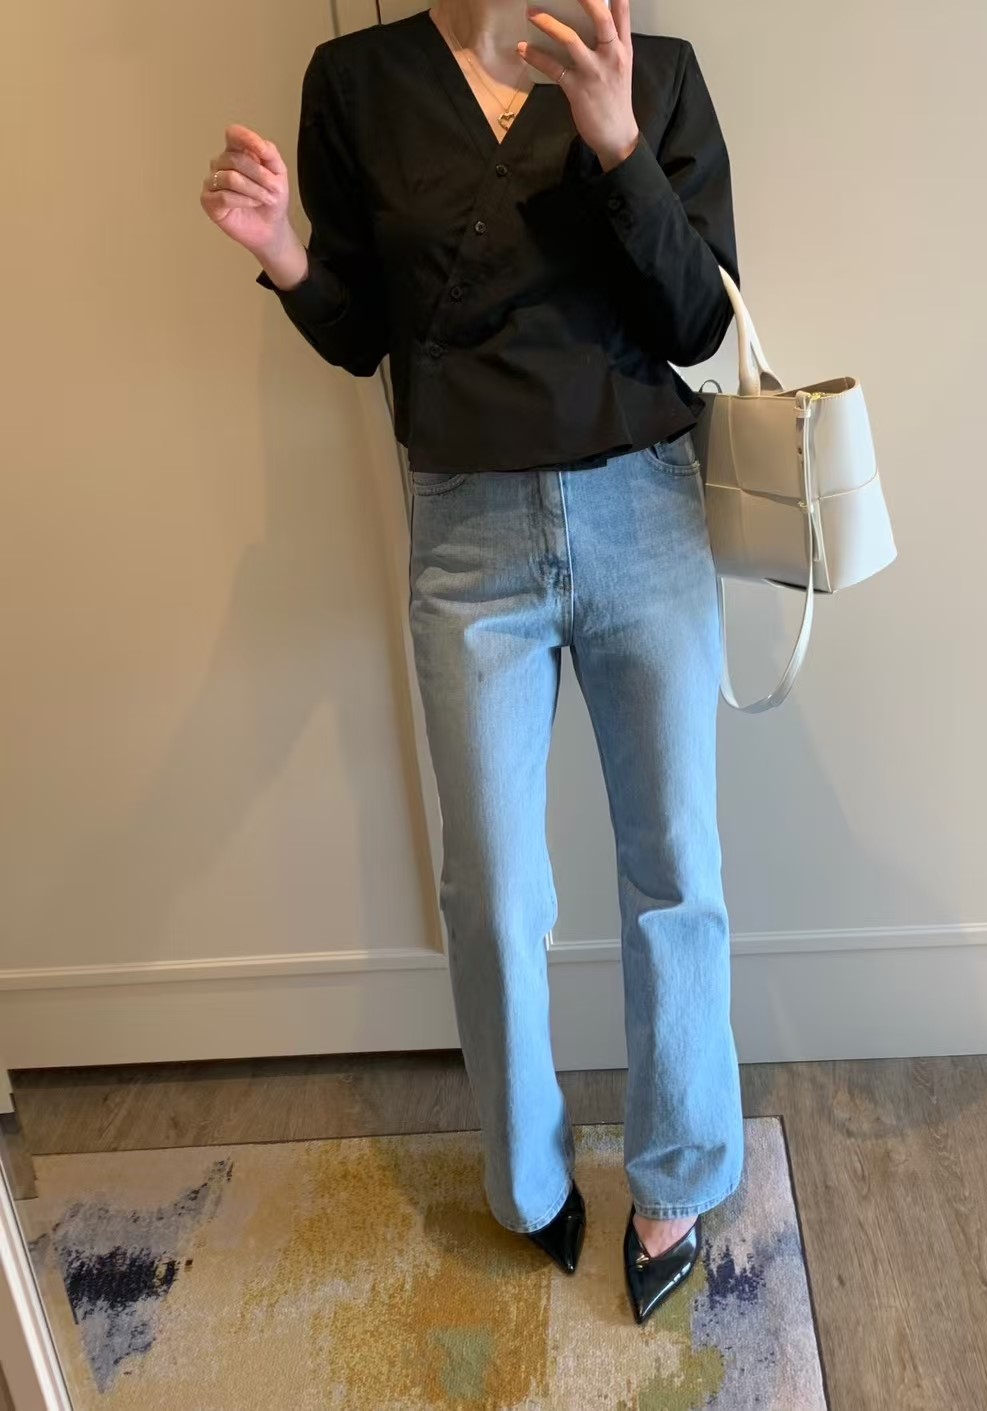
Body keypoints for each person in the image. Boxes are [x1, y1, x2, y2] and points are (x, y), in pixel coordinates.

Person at [200, 0, 745, 1326]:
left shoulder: (654, 69)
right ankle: (529, 1180)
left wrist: (616, 142)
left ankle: (678, 1173)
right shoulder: (359, 81)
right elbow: (362, 332)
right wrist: (281, 254)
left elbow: (697, 320)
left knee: (675, 862)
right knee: (494, 888)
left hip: (645, 513)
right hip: (468, 538)